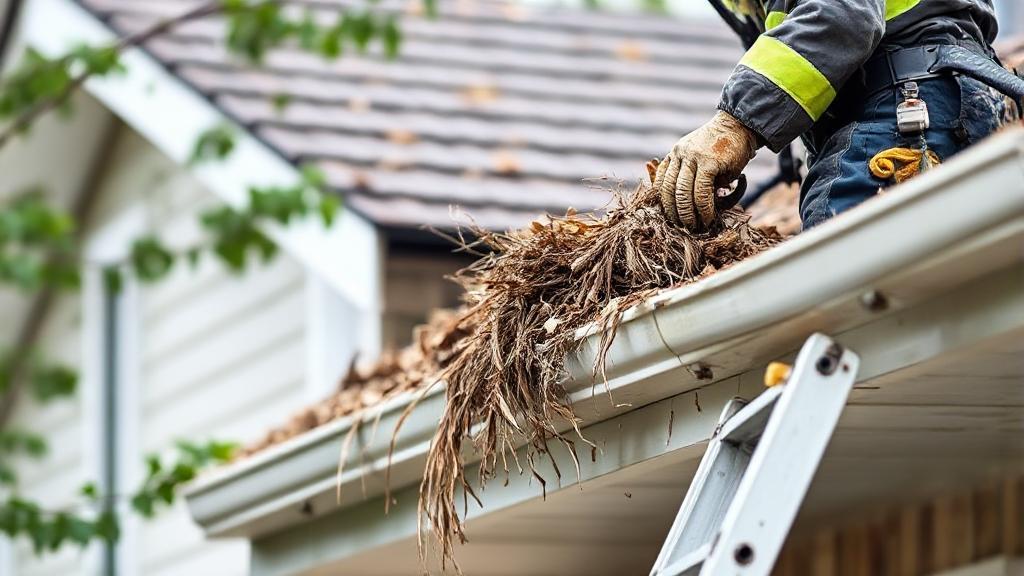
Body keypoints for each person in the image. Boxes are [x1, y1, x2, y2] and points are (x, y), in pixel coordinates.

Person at [655, 0, 1007, 231]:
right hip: (944, 100)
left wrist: (736, 124)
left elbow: (844, 14)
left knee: (842, 283)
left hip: (908, 105)